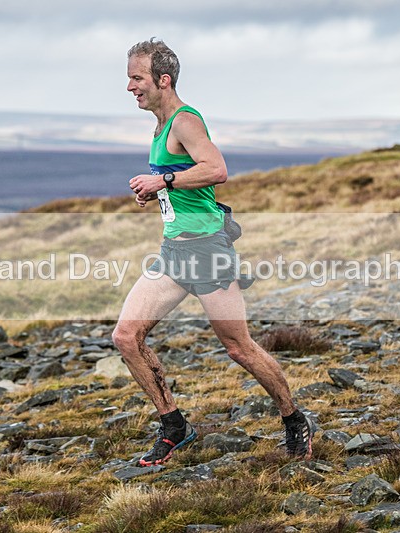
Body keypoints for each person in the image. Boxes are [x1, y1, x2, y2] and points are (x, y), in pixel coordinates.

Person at [112, 38, 315, 467]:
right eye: (129, 77)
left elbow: (217, 170)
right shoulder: (159, 125)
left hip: (208, 252)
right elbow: (187, 181)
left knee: (239, 347)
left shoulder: (185, 121)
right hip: (174, 253)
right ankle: (174, 427)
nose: (129, 86)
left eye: (136, 77)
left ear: (163, 80)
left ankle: (294, 418)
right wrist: (157, 192)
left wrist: (162, 183)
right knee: (126, 337)